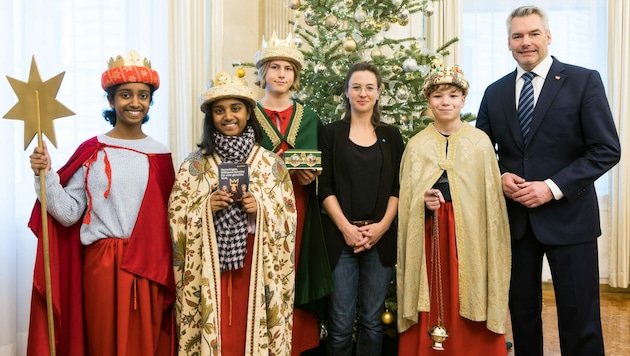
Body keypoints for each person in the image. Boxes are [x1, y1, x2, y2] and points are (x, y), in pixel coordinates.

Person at [476, 6, 621, 356]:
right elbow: (478, 152)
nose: (526, 42)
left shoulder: (583, 80)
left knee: (579, 318)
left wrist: (551, 187)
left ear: (548, 36)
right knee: (523, 316)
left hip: (571, 221)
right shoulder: (494, 92)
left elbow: (606, 149)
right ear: (508, 42)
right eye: (517, 36)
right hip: (515, 225)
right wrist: (499, 176)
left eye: (533, 34)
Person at [27, 50, 176, 356]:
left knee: (145, 345)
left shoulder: (161, 156)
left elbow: (172, 218)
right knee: (103, 342)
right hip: (102, 265)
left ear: (150, 102)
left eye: (143, 95)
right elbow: (68, 214)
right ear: (111, 101)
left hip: (148, 265)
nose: (135, 102)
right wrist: (46, 175)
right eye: (125, 94)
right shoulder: (94, 151)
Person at [169, 70, 297, 355]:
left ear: (249, 112)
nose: (228, 116)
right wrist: (205, 208)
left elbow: (288, 218)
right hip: (209, 265)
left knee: (245, 334)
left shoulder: (271, 163)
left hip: (255, 262)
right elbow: (176, 219)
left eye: (235, 108)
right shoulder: (193, 165)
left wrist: (260, 209)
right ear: (210, 116)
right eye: (219, 110)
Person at [396, 60, 511, 356]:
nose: (445, 102)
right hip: (431, 235)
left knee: (467, 293)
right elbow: (408, 195)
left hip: (469, 237)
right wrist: (424, 201)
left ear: (463, 99)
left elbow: (490, 204)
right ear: (428, 101)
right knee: (433, 294)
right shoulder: (417, 145)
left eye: (452, 95)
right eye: (437, 96)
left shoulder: (480, 143)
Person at [253, 31, 334, 354]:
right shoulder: (248, 114)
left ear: (295, 76)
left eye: (288, 68)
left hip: (299, 210)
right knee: (263, 271)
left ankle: (296, 342)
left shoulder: (310, 118)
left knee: (296, 269)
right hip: (259, 210)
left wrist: (308, 178)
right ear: (263, 73)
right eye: (274, 67)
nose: (281, 74)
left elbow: (319, 167)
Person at [318, 62, 404, 355]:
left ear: (379, 92)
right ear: (346, 91)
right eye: (356, 87)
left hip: (379, 240)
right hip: (341, 239)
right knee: (340, 323)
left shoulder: (391, 136)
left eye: (369, 87)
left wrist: (381, 228)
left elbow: (397, 187)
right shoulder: (330, 134)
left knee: (372, 322)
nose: (363, 93)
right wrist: (346, 228)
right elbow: (324, 187)